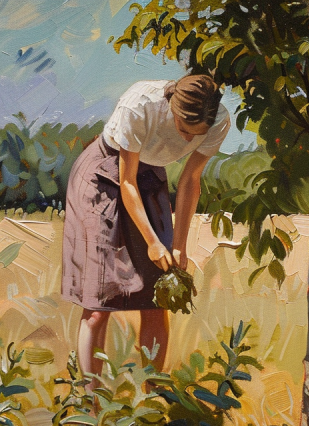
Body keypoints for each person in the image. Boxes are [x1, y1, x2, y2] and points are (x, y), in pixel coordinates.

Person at [61, 75, 229, 385]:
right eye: (183, 131)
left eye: (197, 135)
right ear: (171, 109)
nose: (189, 141)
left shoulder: (218, 120)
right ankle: (90, 409)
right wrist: (153, 242)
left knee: (156, 301)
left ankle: (150, 404)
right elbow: (126, 181)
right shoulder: (139, 105)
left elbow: (191, 180)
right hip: (104, 178)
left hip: (150, 181)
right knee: (99, 304)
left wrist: (179, 246)